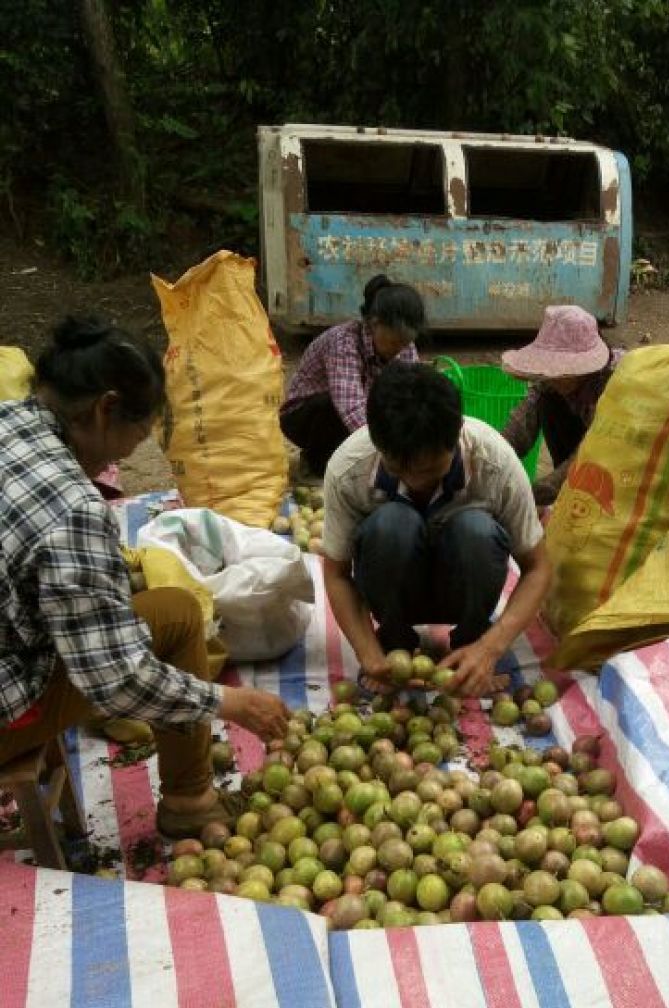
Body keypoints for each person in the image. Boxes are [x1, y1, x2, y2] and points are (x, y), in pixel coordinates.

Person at [0, 315, 289, 842]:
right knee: (178, 621)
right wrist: (230, 702)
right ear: (105, 409)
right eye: (137, 434)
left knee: (171, 605)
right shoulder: (73, 509)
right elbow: (117, 679)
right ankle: (190, 802)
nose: (132, 451)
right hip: (9, 700)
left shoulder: (8, 421)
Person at [322, 361, 550, 699]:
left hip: (462, 592)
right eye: (399, 468)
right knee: (391, 525)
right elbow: (336, 573)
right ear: (376, 441)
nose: (416, 480)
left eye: (431, 469)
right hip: (393, 594)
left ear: (457, 435)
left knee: (476, 529)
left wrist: (491, 647)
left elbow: (538, 568)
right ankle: (392, 643)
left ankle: (471, 643)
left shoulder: (495, 462)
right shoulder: (348, 469)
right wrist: (366, 652)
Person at [279, 274, 425, 476]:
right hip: (305, 417)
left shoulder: (404, 346)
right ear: (374, 324)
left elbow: (412, 394)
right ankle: (316, 464)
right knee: (331, 407)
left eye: (404, 343)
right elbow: (351, 408)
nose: (399, 349)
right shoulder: (343, 341)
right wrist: (391, 452)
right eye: (394, 342)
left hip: (356, 413)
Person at [501, 305, 624, 507]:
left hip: (618, 459)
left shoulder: (614, 384)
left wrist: (531, 495)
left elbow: (591, 453)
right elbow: (519, 427)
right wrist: (493, 456)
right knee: (548, 401)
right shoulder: (550, 384)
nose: (554, 376)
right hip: (584, 443)